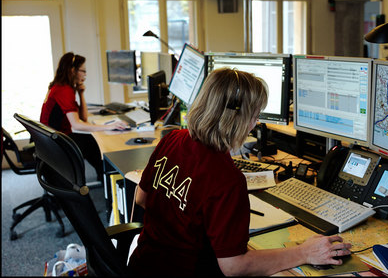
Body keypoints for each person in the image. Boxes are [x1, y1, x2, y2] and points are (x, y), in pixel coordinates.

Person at [127, 68, 352, 276]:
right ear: (237, 120)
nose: (254, 124)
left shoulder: (174, 139)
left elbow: (141, 198)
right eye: (254, 115)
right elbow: (233, 266)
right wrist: (304, 252)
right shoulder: (226, 179)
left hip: (142, 266)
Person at [40, 52, 128, 183]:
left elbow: (83, 118)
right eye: (83, 71)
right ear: (72, 70)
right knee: (96, 145)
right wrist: (108, 126)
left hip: (51, 139)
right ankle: (107, 181)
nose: (85, 75)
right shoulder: (63, 90)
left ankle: (104, 178)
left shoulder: (63, 87)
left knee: (93, 142)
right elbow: (76, 124)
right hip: (54, 142)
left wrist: (81, 94)